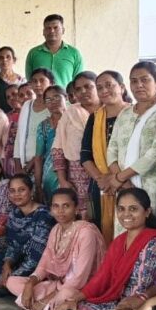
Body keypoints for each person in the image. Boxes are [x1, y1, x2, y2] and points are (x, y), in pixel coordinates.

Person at [53, 188, 156, 310]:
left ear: (147, 212)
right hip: (117, 302)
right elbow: (101, 278)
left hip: (142, 306)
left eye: (133, 209)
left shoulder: (153, 243)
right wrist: (74, 300)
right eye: (121, 209)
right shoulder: (119, 241)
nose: (126, 214)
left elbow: (140, 293)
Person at [6, 188, 104, 310]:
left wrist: (45, 299)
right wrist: (30, 284)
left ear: (76, 209)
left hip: (80, 288)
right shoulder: (56, 230)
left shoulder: (86, 233)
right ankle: (50, 308)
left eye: (66, 206)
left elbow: (79, 279)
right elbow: (44, 264)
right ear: (51, 210)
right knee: (11, 282)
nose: (60, 211)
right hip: (58, 285)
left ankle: (47, 305)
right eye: (56, 206)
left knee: (66, 294)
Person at [106, 62, 156, 229]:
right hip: (123, 188)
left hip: (151, 186)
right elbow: (112, 148)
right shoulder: (125, 113)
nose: (138, 85)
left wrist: (120, 177)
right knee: (126, 232)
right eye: (134, 81)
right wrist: (123, 182)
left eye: (145, 80)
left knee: (149, 231)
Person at [81, 71, 131, 243]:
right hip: (99, 186)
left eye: (109, 85)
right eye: (99, 87)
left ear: (122, 87)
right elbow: (85, 155)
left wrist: (119, 179)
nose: (104, 90)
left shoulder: (134, 114)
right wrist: (101, 179)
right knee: (98, 229)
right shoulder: (95, 117)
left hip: (129, 182)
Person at [53, 72, 98, 219]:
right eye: (78, 89)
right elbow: (58, 148)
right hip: (77, 178)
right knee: (84, 217)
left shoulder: (108, 112)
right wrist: (62, 180)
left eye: (88, 86)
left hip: (105, 174)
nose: (83, 91)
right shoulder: (70, 113)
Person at [0, 174, 53, 289]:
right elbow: (12, 244)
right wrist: (7, 264)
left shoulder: (43, 215)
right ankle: (7, 284)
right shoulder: (14, 213)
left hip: (39, 263)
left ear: (31, 191)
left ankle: (6, 284)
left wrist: (13, 275)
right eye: (12, 191)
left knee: (12, 279)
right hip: (21, 258)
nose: (16, 194)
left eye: (21, 190)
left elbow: (37, 254)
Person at [13, 68, 54, 177]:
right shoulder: (27, 105)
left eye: (42, 80)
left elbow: (50, 141)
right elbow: (19, 137)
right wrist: (18, 167)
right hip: (24, 163)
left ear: (51, 83)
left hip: (46, 164)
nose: (37, 84)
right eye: (34, 81)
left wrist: (29, 166)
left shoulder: (54, 107)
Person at [24, 14, 83, 86]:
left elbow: (78, 82)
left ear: (63, 30)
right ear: (43, 32)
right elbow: (29, 81)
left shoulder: (74, 53)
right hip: (40, 94)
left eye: (56, 28)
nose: (52, 31)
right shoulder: (33, 53)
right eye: (48, 28)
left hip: (65, 93)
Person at [34, 85, 65, 200]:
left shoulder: (74, 121)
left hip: (74, 172)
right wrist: (38, 186)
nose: (53, 102)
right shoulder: (43, 126)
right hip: (50, 176)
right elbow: (38, 158)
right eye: (48, 100)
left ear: (65, 97)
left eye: (56, 97)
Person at [0, 46, 26, 113]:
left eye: (8, 57)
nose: (4, 60)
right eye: (1, 58)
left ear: (14, 60)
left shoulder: (22, 81)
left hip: (21, 115)